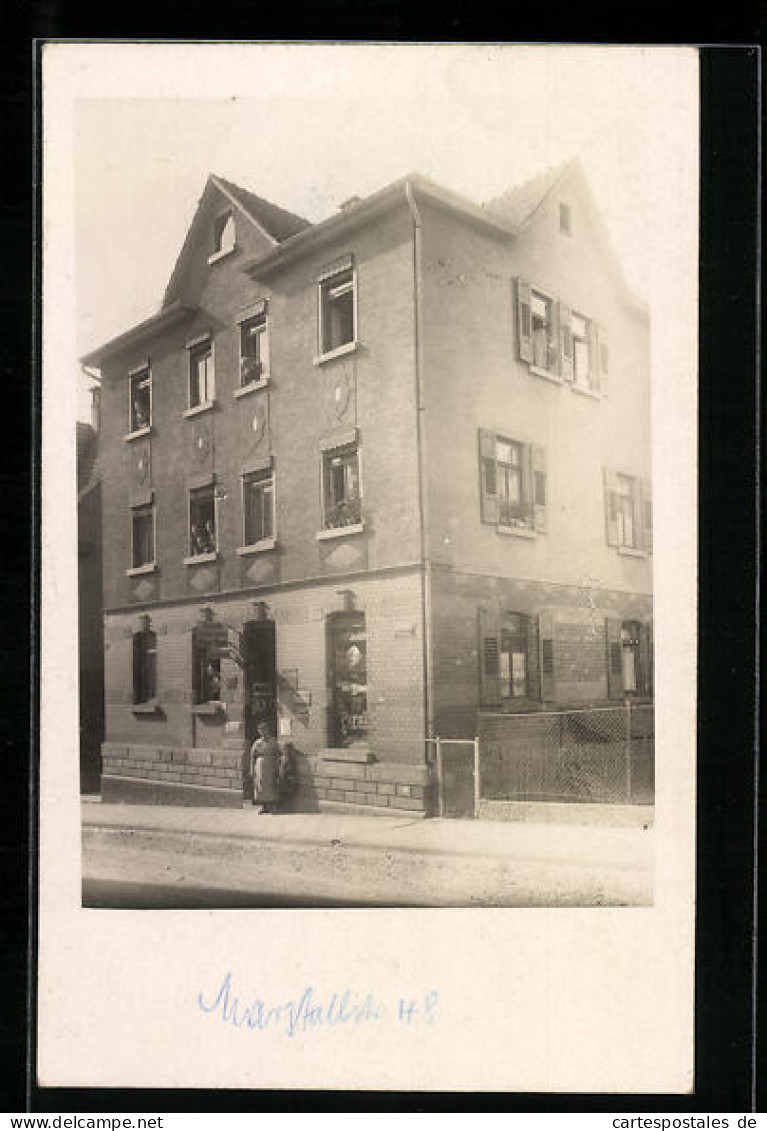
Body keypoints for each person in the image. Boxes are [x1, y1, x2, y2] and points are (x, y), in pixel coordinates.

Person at [250, 721, 280, 814]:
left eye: (264, 730)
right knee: (261, 785)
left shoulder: (273, 741)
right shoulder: (257, 742)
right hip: (259, 765)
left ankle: (272, 806)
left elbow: (278, 753)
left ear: (268, 730)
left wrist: (277, 766)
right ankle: (263, 806)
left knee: (270, 784)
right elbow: (252, 756)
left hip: (270, 764)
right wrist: (252, 769)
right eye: (260, 731)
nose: (262, 733)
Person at [277, 743, 298, 809]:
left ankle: (288, 806)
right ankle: (281, 805)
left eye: (286, 749)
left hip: (288, 778)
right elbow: (278, 766)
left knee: (288, 792)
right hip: (281, 777)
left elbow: (292, 769)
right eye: (283, 749)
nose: (284, 751)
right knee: (280, 791)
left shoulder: (291, 759)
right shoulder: (280, 759)